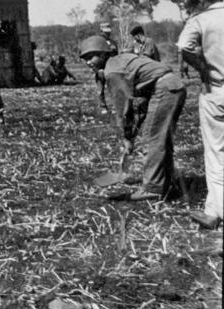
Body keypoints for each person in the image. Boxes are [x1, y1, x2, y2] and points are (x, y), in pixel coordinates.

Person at [79, 35, 186, 201]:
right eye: (85, 59)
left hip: (164, 88)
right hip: (173, 86)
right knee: (162, 138)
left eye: (91, 57)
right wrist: (133, 131)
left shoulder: (112, 72)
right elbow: (140, 103)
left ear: (103, 54)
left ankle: (153, 187)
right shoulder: (120, 60)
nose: (88, 62)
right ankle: (167, 180)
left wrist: (127, 137)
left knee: (152, 138)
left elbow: (123, 108)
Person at [177, 0, 224, 229]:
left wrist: (203, 68)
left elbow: (184, 47)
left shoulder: (200, 19)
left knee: (216, 152)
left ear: (203, 0)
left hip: (216, 90)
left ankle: (215, 211)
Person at [96, 23, 118, 111]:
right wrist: (97, 69)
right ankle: (102, 107)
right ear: (101, 31)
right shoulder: (97, 43)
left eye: (108, 32)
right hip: (100, 69)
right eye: (105, 32)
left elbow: (116, 56)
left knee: (114, 89)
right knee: (100, 90)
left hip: (112, 69)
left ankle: (116, 107)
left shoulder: (113, 43)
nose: (107, 33)